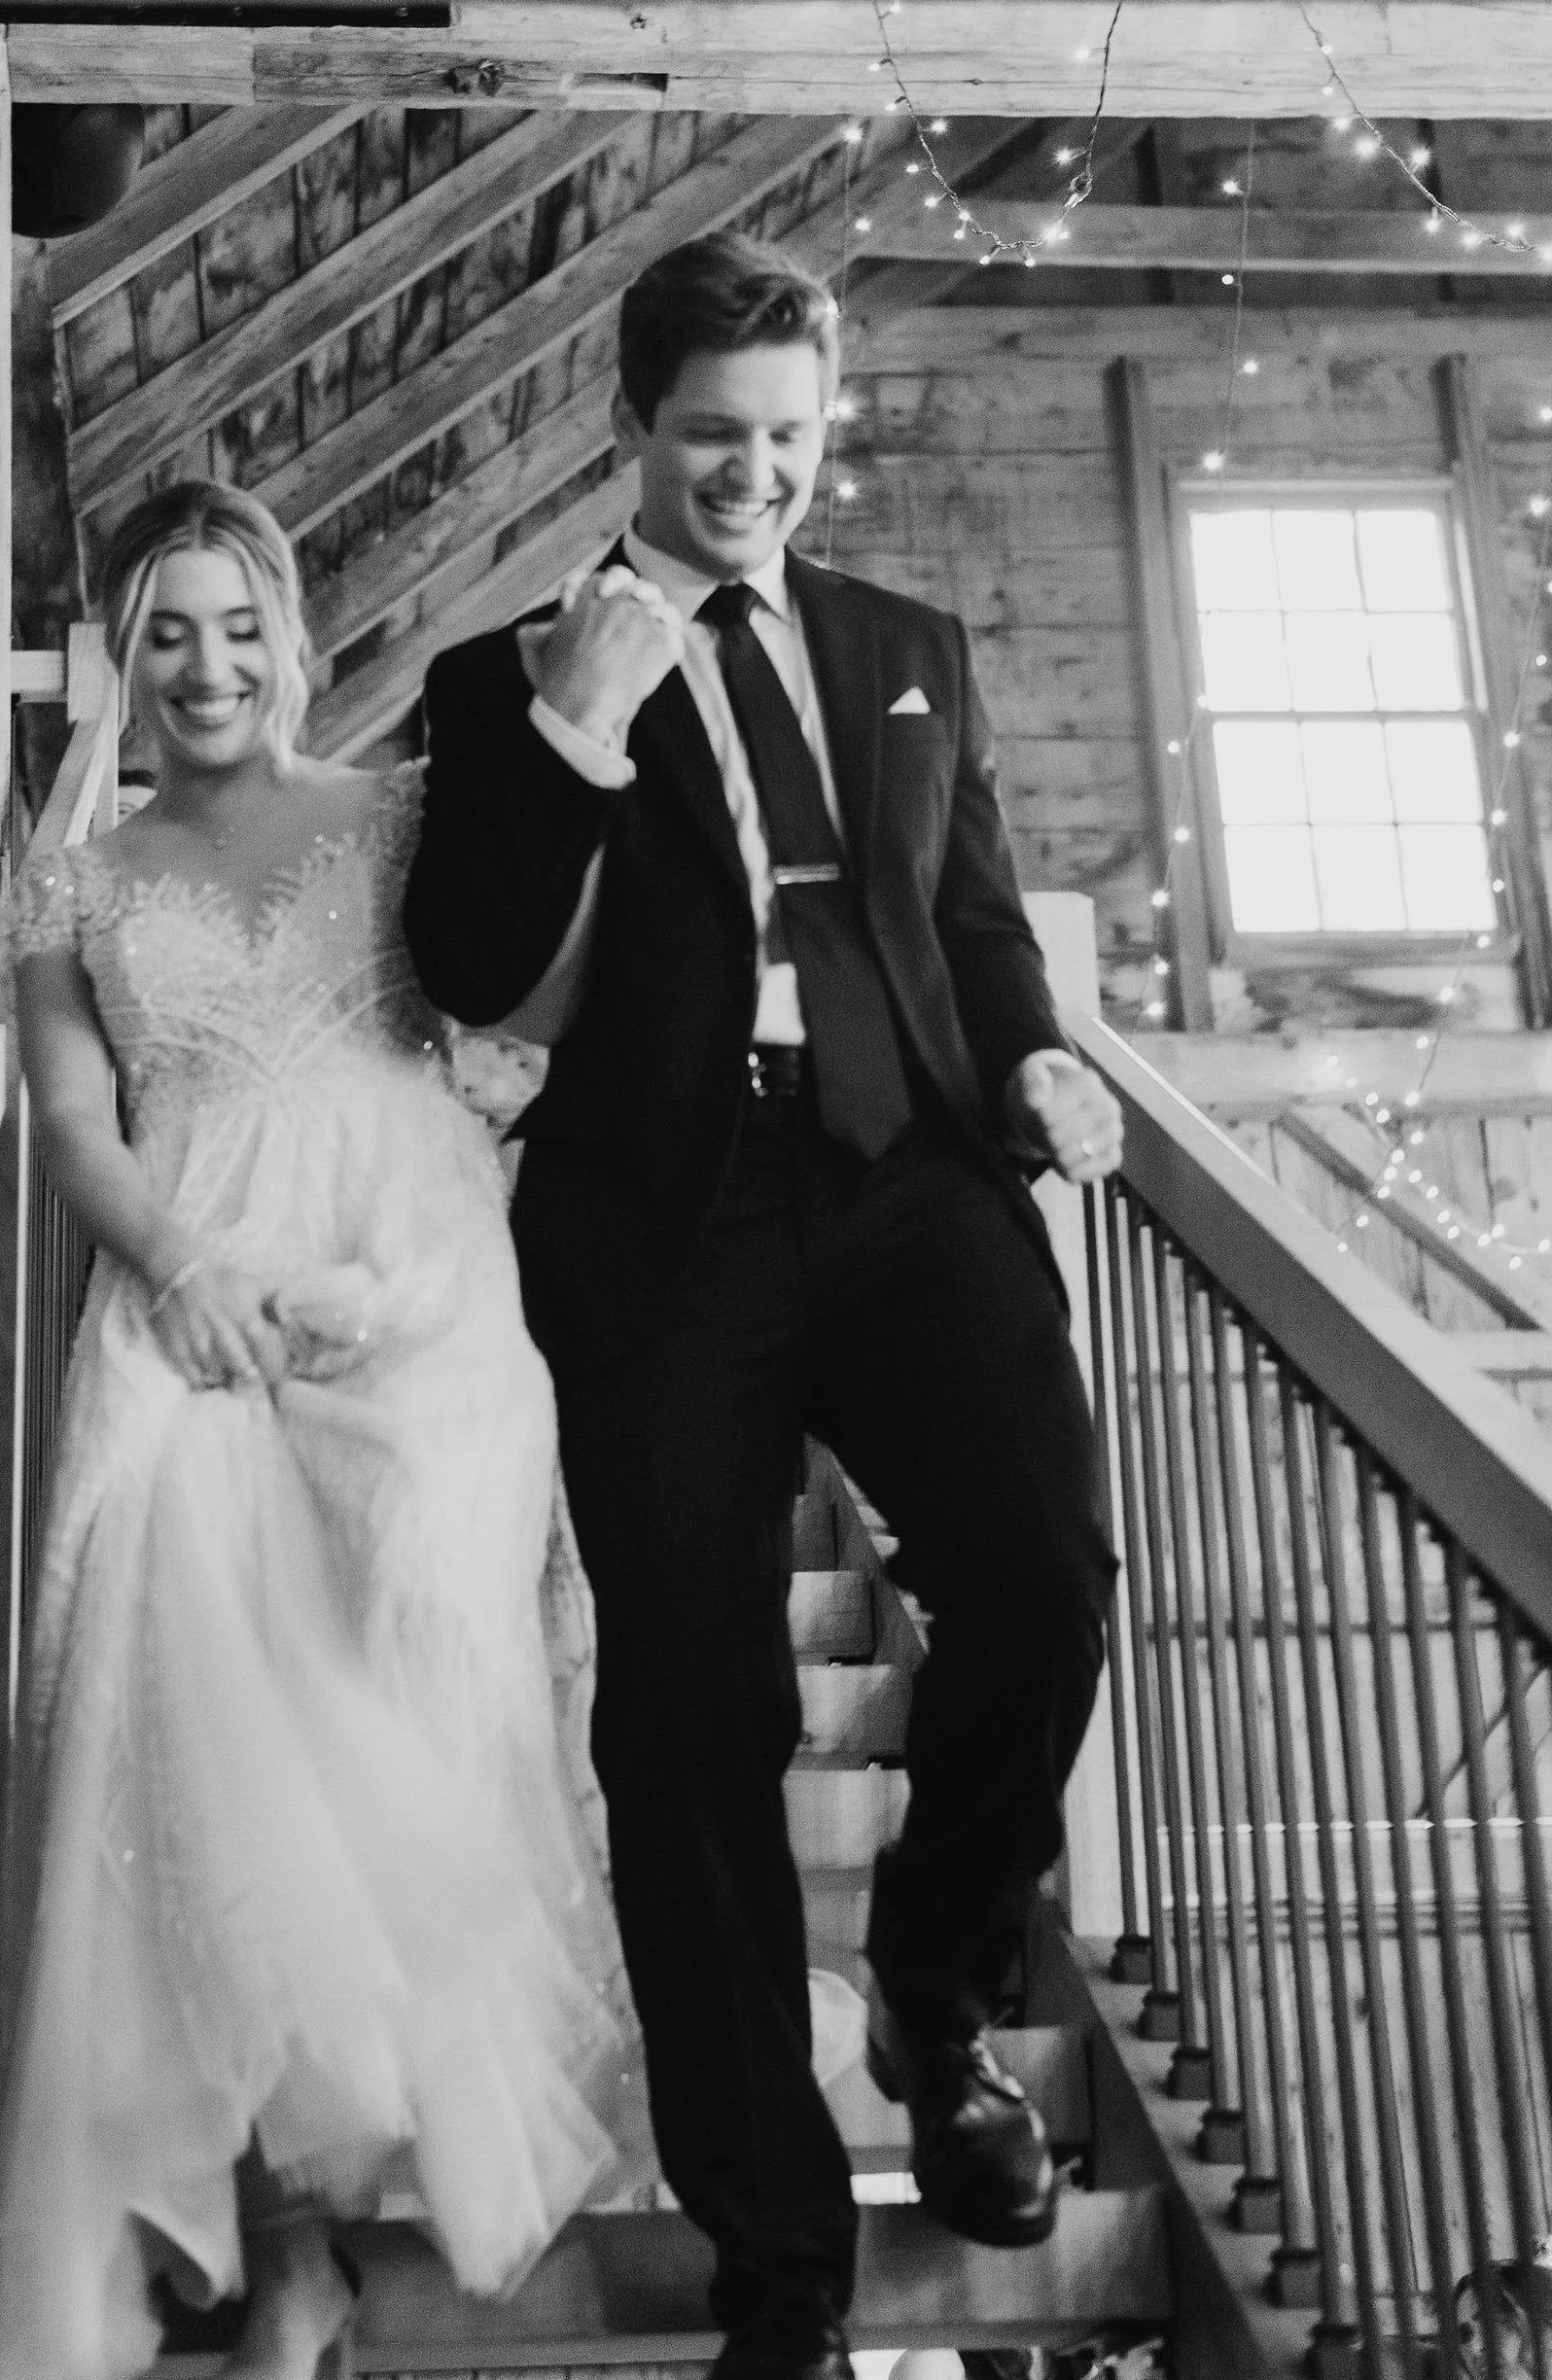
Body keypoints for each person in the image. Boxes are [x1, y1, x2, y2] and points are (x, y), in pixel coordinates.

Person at [404, 230, 1125, 2380]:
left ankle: (932, 1991)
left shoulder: (911, 645)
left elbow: (972, 922)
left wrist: (1039, 1057)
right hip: (670, 1223)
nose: (755, 478)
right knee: (694, 1721)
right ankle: (778, 2274)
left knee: (1039, 1567)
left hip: (913, 1185)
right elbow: (463, 956)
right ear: (630, 427)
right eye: (713, 438)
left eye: (791, 439)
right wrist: (573, 728)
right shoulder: (507, 675)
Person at [0, 480, 645, 2380]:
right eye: (166, 630)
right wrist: (176, 1262)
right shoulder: (80, 874)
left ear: (292, 633)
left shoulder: (401, 812)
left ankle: (356, 2204)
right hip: (182, 1310)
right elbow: (79, 1125)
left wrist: (450, 1189)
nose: (205, 666)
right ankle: (277, 2250)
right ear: (124, 654)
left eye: (237, 624)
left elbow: (529, 981)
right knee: (174, 1737)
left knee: (377, 1728)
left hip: (396, 1299)